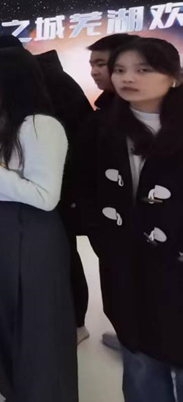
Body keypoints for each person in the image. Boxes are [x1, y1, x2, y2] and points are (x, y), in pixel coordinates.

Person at [0, 48, 77, 402]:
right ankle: (14, 391)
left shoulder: (42, 126)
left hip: (32, 231)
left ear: (11, 78)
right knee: (1, 316)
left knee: (37, 325)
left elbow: (45, 196)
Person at [80, 38, 183, 402]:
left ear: (173, 76)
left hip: (176, 267)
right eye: (120, 70)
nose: (127, 78)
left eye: (143, 69)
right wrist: (108, 243)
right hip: (127, 266)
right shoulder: (101, 127)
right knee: (140, 361)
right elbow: (86, 190)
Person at [0, 34, 93, 344]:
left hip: (53, 194)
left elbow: (74, 143)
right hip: (16, 210)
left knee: (59, 262)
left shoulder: (45, 116)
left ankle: (73, 321)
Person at [82, 33, 136, 351]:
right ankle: (131, 339)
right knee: (118, 289)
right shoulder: (104, 112)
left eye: (101, 63)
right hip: (107, 223)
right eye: (92, 64)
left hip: (139, 227)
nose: (94, 71)